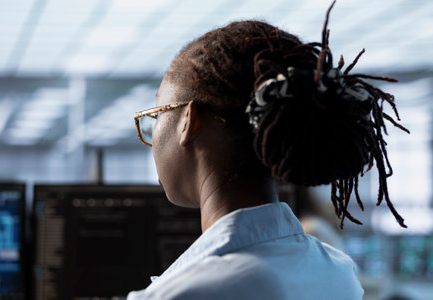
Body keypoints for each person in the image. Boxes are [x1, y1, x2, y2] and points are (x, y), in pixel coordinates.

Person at [129, 2, 408, 299]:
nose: (152, 136)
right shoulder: (339, 271)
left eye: (156, 115)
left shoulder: (184, 294)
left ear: (189, 121)